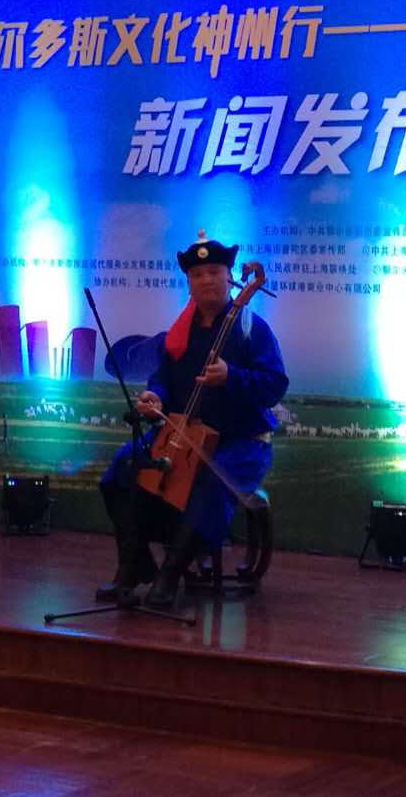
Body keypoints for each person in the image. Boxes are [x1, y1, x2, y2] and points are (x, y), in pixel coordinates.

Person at [97, 231, 288, 608]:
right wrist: (155, 397)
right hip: (182, 434)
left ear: (229, 278)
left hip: (240, 441)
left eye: (214, 272)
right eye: (197, 274)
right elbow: (163, 379)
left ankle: (170, 574)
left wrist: (232, 376)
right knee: (122, 469)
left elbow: (275, 385)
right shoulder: (180, 332)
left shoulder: (251, 328)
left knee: (210, 479)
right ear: (188, 283)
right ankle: (133, 564)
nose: (206, 280)